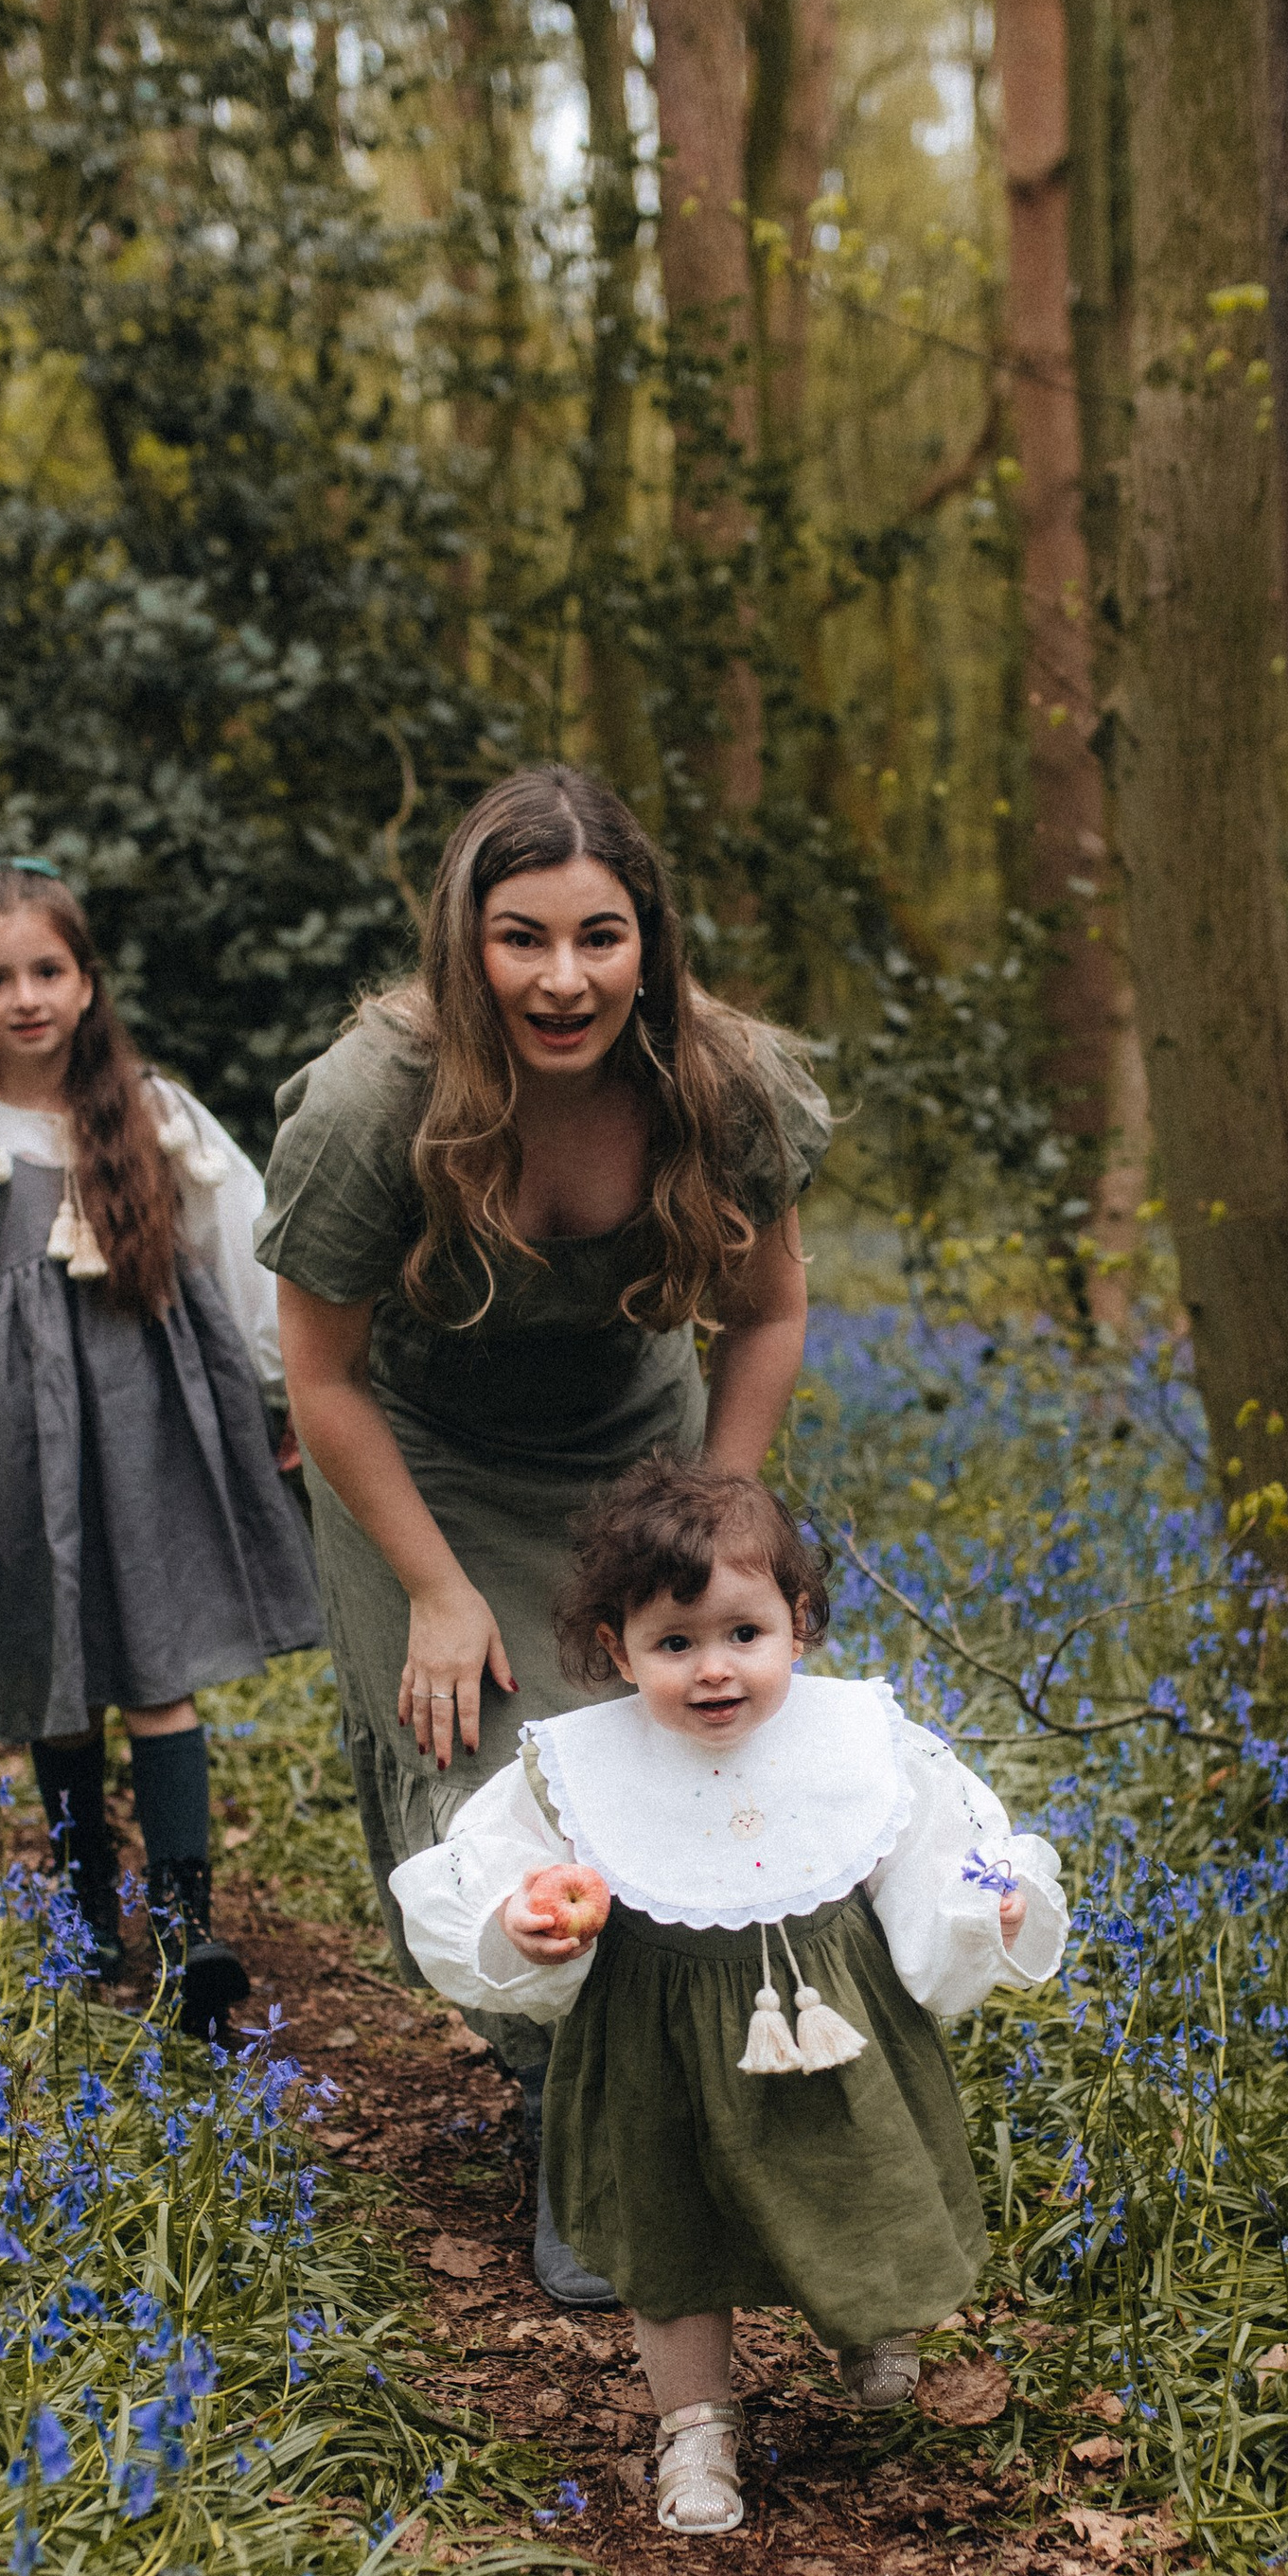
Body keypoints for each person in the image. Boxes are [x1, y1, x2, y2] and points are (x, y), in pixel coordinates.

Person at [261, 767, 831, 2302]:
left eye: (599, 935)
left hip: (627, 1442)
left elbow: (768, 1312)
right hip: (420, 1456)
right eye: (523, 938)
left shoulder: (723, 1085)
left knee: (672, 1759)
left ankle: (699, 2103)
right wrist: (438, 1594)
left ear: (650, 938)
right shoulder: (373, 1103)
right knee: (490, 1777)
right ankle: (574, 2129)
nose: (562, 978)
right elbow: (317, 1376)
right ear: (469, 941)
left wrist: (720, 1520)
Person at [391, 1456, 1067, 2532]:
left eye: (742, 1635)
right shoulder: (576, 1765)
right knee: (676, 2228)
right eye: (674, 1643)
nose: (714, 1669)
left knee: (854, 2181)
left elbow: (952, 1844)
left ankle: (865, 2321)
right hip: (657, 2046)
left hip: (838, 2032)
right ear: (616, 1650)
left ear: (797, 1623)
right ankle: (695, 2421)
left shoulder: (861, 1739)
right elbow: (500, 1867)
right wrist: (525, 1919)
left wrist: (982, 1903)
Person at [0, 857, 322, 2038]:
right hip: (26, 1445)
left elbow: (245, 1249)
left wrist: (286, 1399)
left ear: (85, 980)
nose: (26, 997)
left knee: (158, 1672)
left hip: (153, 1427)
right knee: (59, 1683)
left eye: (47, 970)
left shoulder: (153, 1110)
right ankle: (84, 1918)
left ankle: (183, 1927)